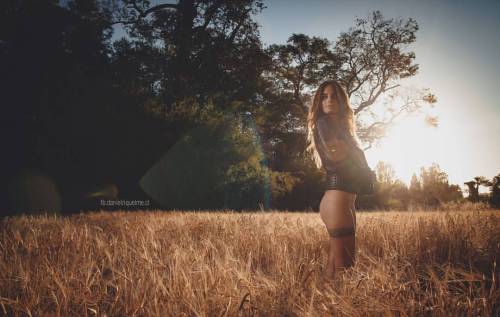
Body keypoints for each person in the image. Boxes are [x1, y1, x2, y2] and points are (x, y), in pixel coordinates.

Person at [306, 80, 370, 281]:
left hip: (345, 201)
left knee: (335, 269)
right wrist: (358, 160)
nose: (329, 100)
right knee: (346, 270)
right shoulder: (323, 124)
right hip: (336, 199)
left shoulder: (342, 130)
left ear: (342, 100)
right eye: (324, 96)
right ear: (319, 101)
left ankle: (321, 305)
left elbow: (345, 154)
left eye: (334, 96)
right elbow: (336, 155)